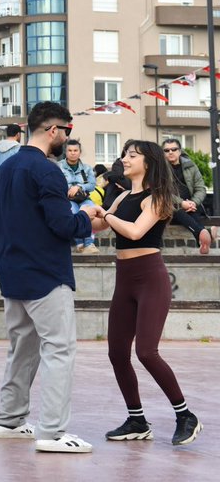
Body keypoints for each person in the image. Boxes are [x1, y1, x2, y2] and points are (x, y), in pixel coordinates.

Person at [0, 101, 105, 453]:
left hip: (11, 271)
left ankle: (9, 420)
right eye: (66, 131)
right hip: (44, 274)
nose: (68, 138)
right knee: (59, 349)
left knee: (22, 347)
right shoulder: (48, 171)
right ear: (53, 130)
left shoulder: (6, 168)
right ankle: (53, 432)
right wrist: (89, 218)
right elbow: (63, 225)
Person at [88, 140, 201, 446]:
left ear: (148, 162)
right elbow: (101, 224)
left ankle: (185, 416)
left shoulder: (158, 198)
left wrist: (106, 216)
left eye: (132, 155)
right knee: (117, 353)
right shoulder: (124, 194)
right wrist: (88, 214)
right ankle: (136, 419)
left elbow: (136, 231)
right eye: (125, 154)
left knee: (146, 352)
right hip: (124, 280)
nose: (124, 159)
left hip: (150, 278)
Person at [161, 138, 212, 254]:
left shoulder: (191, 166)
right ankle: (202, 234)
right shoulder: (160, 169)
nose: (170, 152)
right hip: (170, 206)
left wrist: (193, 202)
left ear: (179, 151)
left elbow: (200, 188)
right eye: (166, 150)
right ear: (163, 153)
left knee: (192, 212)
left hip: (192, 205)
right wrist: (181, 203)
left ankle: (203, 239)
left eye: (174, 149)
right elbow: (162, 191)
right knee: (177, 211)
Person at [58, 139, 98, 255]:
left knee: (90, 210)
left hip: (83, 198)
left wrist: (79, 187)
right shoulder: (59, 166)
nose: (73, 153)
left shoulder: (86, 168)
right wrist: (69, 189)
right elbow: (55, 183)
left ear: (80, 152)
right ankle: (80, 243)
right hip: (67, 199)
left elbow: (92, 185)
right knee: (74, 212)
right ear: (66, 152)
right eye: (70, 150)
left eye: (75, 150)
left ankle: (89, 244)